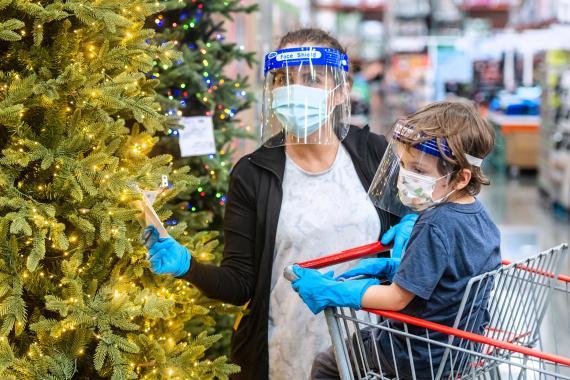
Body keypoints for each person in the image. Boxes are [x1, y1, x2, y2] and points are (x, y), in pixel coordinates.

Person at [143, 28, 418, 380]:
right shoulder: (253, 174)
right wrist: (187, 267)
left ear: (341, 91)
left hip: (370, 357)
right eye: (284, 79)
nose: (295, 88)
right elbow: (241, 283)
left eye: (312, 78)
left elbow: (413, 244)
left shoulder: (373, 153)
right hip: (285, 358)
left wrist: (417, 224)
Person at [291, 100, 501, 379]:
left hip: (415, 354)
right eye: (403, 165)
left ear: (460, 178)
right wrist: (401, 268)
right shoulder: (480, 218)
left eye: (420, 171)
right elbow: (454, 276)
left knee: (328, 365)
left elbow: (396, 299)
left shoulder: (434, 223)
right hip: (458, 351)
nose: (406, 176)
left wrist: (333, 291)